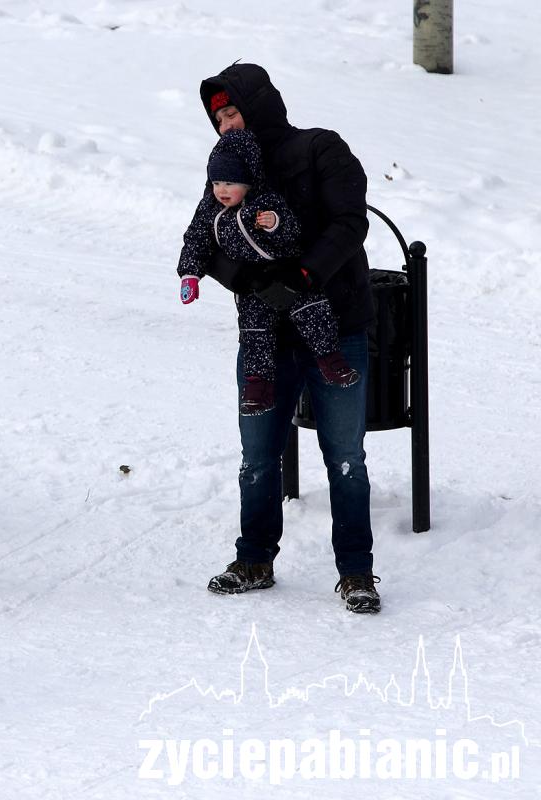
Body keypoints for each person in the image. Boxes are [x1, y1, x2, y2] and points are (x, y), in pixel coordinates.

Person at [195, 64, 381, 613]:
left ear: (258, 106)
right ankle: (254, 559)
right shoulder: (226, 168)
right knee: (257, 458)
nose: (226, 125)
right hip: (265, 339)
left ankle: (357, 572)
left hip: (334, 328)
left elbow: (349, 223)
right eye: (219, 119)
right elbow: (206, 239)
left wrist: (303, 275)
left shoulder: (321, 148)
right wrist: (248, 280)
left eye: (233, 112)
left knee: (345, 458)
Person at [178, 128, 359, 416]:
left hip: (285, 271)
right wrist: (190, 274)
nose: (221, 190)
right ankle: (258, 388)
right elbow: (196, 241)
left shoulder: (265, 202)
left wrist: (275, 223)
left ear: (248, 181)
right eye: (216, 183)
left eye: (230, 183)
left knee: (313, 311)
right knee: (254, 332)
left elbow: (293, 231)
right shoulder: (209, 210)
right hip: (253, 285)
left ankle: (331, 361)